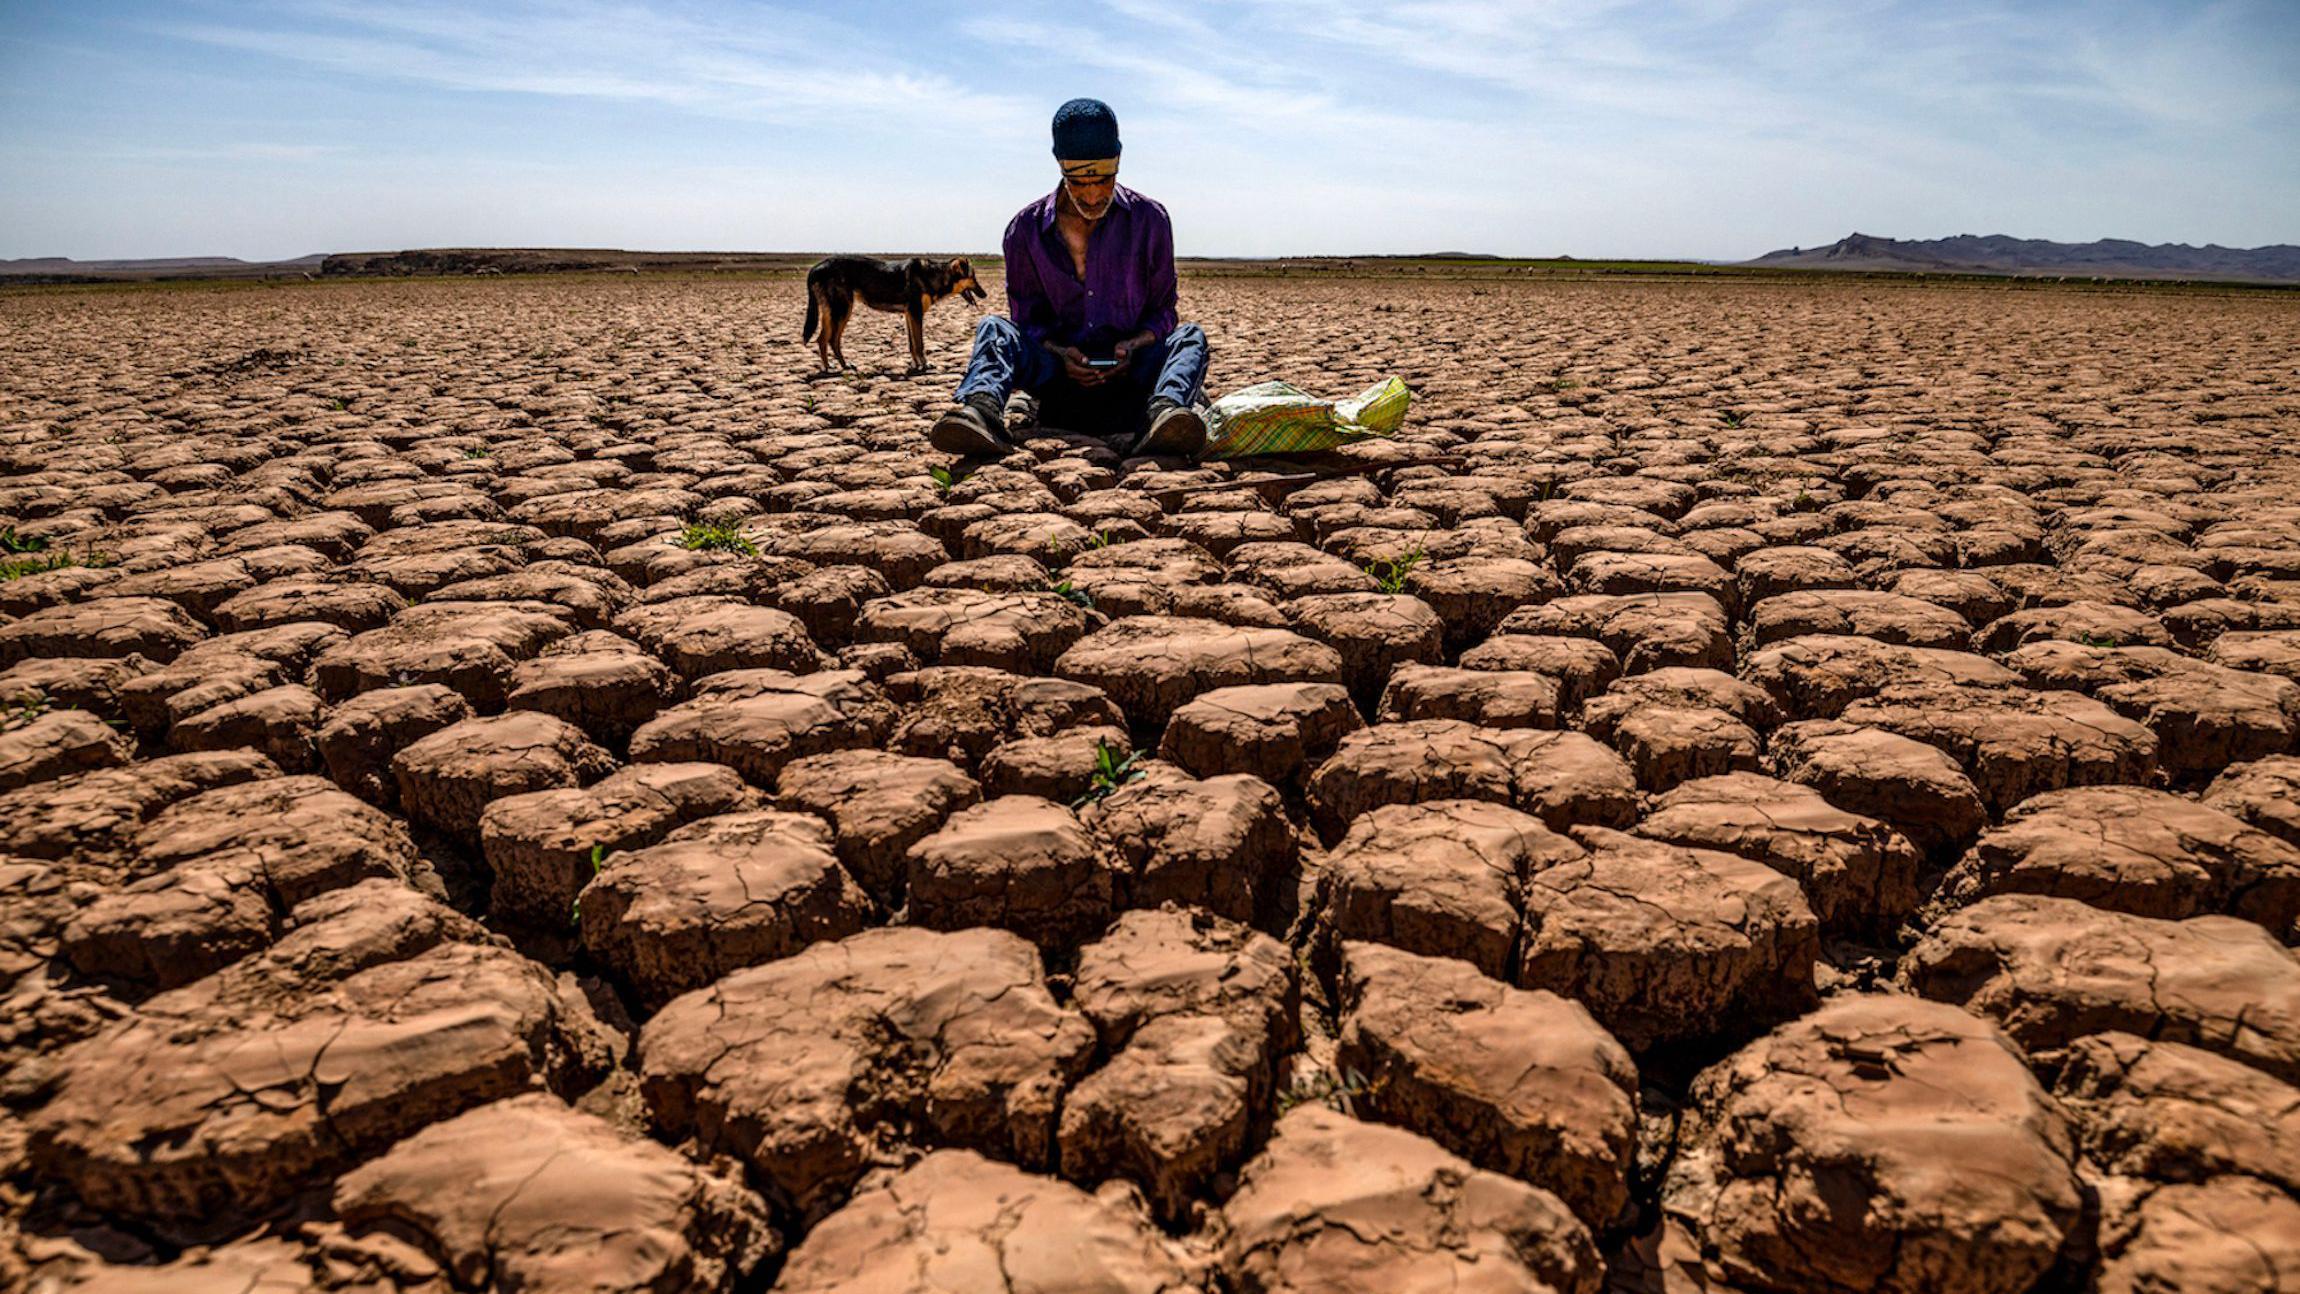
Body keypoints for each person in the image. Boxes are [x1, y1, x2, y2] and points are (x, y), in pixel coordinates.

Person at [931, 98, 1209, 459]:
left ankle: (1165, 416)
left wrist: (1133, 346)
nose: (1093, 195)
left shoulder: (1150, 220)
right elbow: (1028, 320)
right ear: (1061, 167)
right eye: (1078, 182)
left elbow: (1163, 312)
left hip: (1132, 374)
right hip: (1059, 376)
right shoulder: (1025, 231)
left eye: (1104, 180)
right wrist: (1062, 354)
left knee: (1190, 338)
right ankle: (981, 412)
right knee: (994, 329)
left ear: (1118, 164)